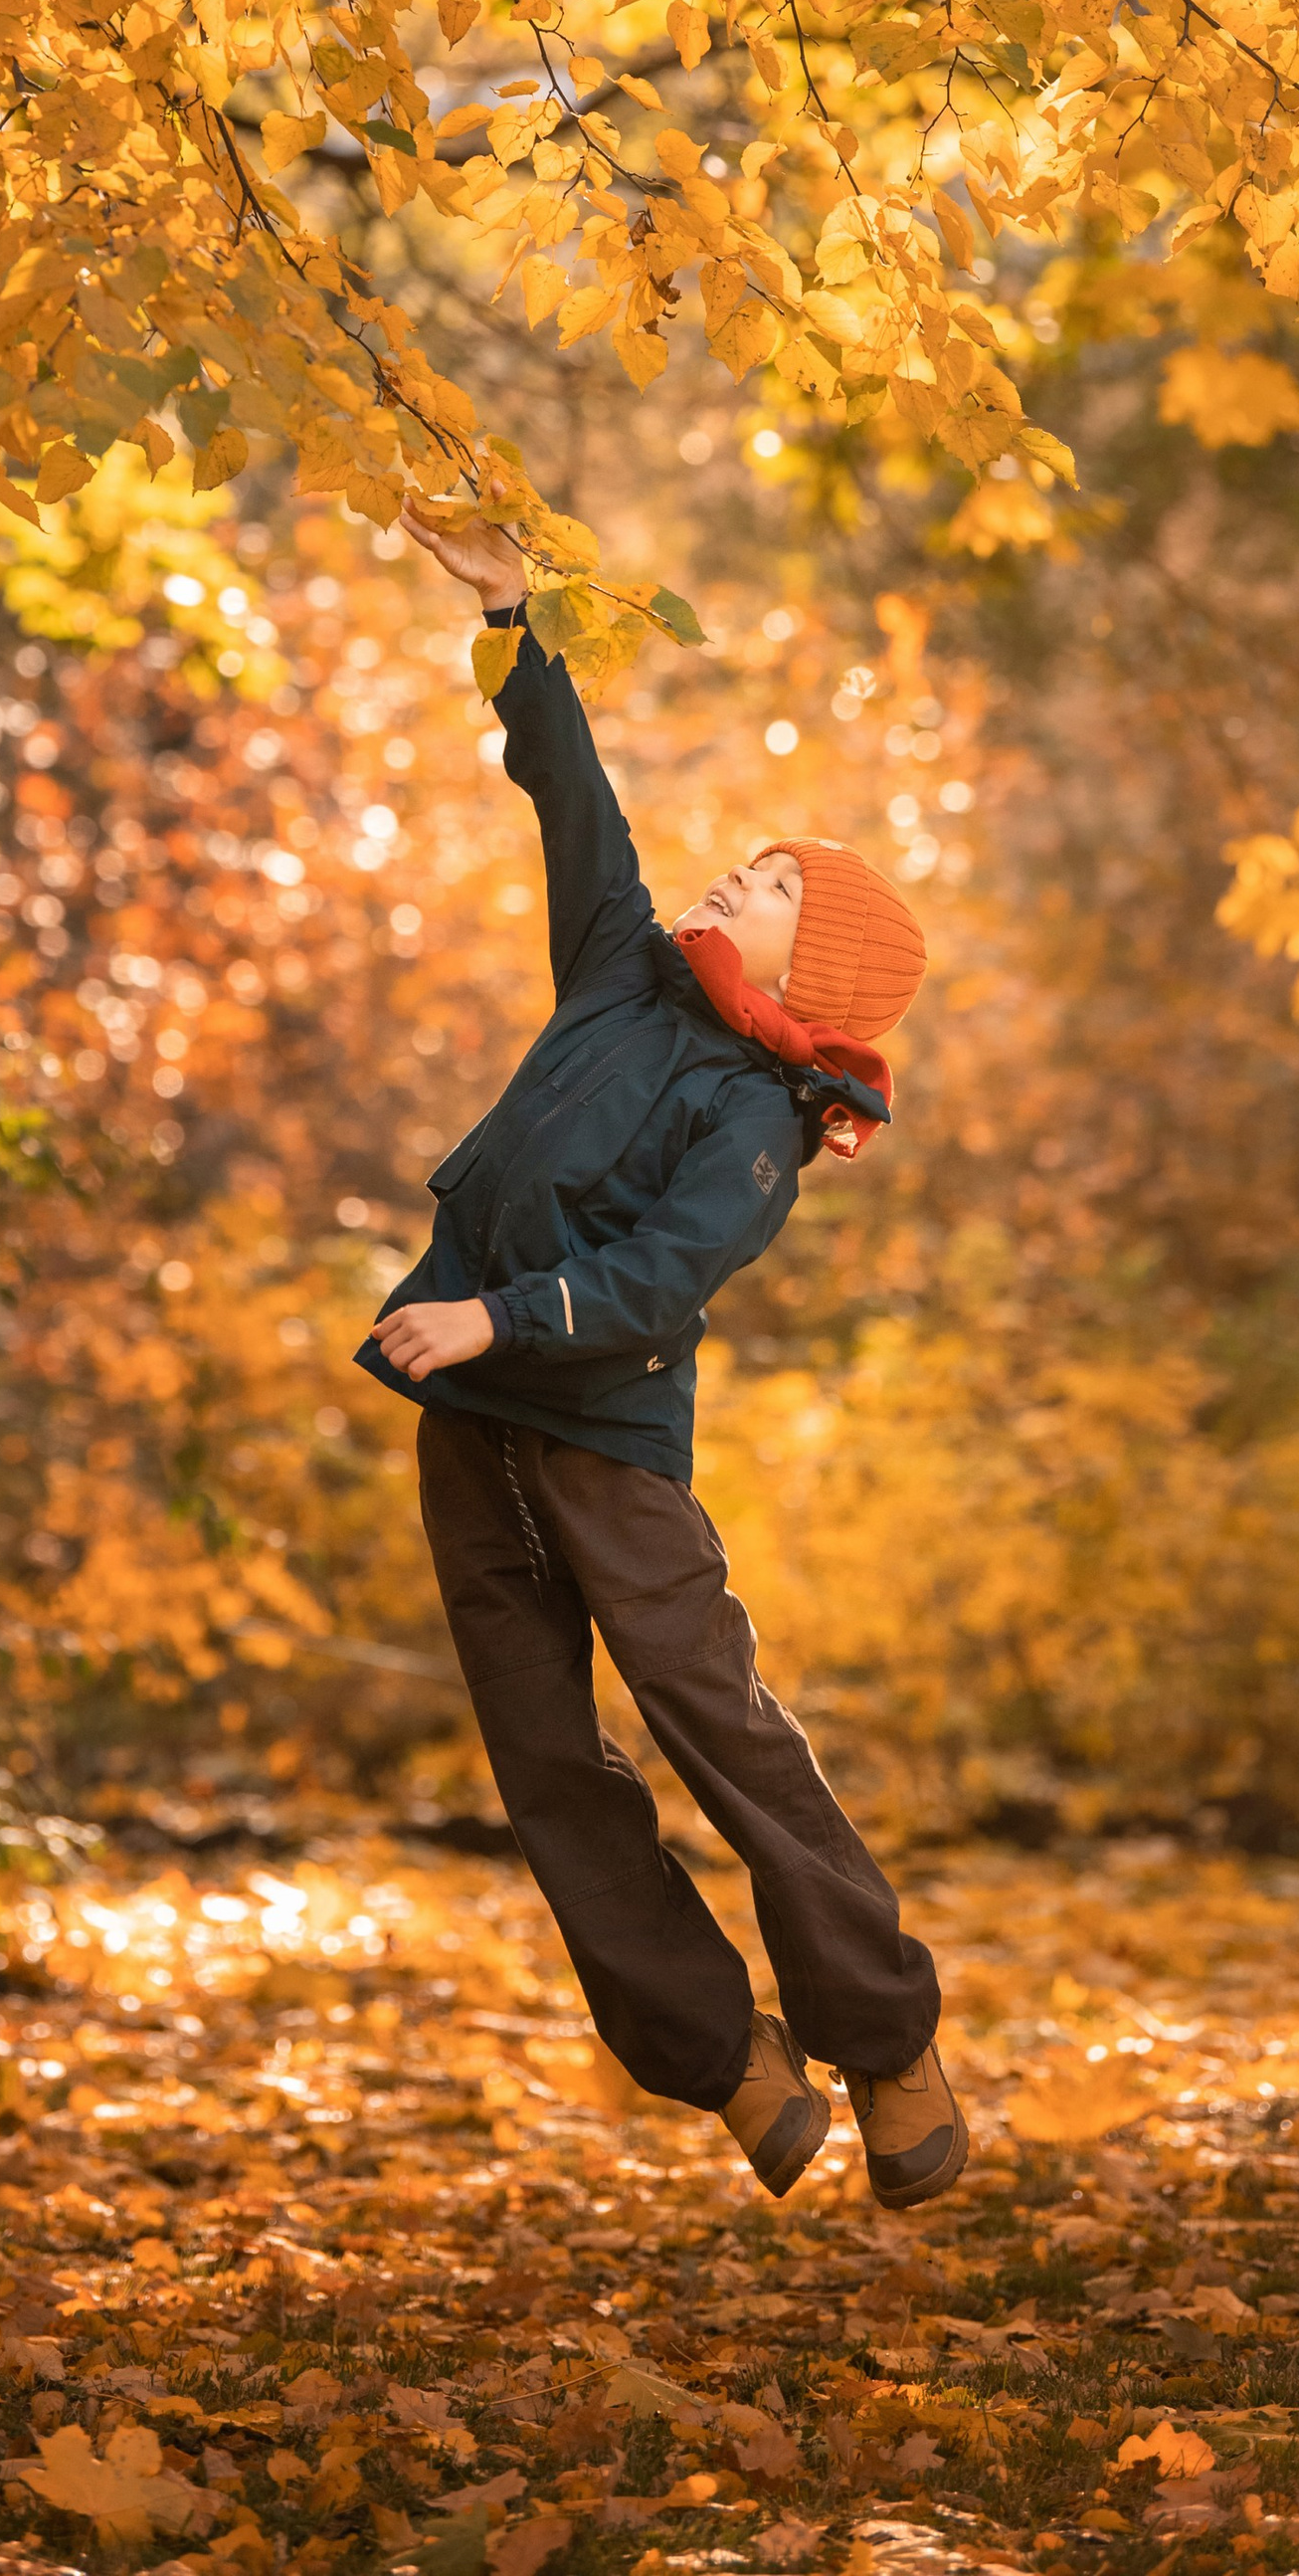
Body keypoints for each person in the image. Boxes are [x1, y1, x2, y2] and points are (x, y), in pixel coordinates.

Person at [355, 500, 964, 2212]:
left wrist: (497, 1316)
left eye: (772, 889)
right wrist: (511, 618)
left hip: (601, 1442)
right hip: (469, 1424)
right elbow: (576, 797)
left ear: (811, 963)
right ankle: (722, 2056)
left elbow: (661, 1280)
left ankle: (885, 2038)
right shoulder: (618, 968)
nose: (734, 879)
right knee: (548, 1766)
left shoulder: (763, 1118)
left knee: (719, 1730)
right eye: (750, 863)